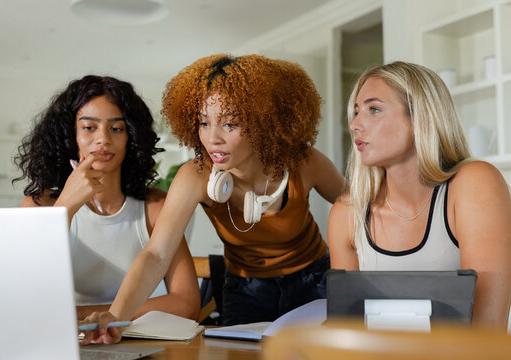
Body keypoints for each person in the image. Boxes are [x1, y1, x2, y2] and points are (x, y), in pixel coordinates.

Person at [79, 54, 346, 344]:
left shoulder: (304, 163)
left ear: (264, 123)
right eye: (204, 122)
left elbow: (361, 211)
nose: (212, 139)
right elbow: (157, 254)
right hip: (244, 290)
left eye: (230, 124)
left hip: (314, 283)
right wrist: (116, 316)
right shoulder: (195, 175)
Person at [327, 61, 511, 329]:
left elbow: (487, 330)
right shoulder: (346, 213)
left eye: (373, 109)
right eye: (356, 112)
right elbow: (350, 331)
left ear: (420, 118)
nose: (355, 124)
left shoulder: (474, 184)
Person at [13, 75, 200, 322]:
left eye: (116, 128)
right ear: (70, 137)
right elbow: (25, 298)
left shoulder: (156, 207)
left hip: (142, 343)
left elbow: (186, 304)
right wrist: (66, 207)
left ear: (131, 138)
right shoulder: (39, 207)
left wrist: (101, 316)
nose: (103, 139)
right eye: (89, 128)